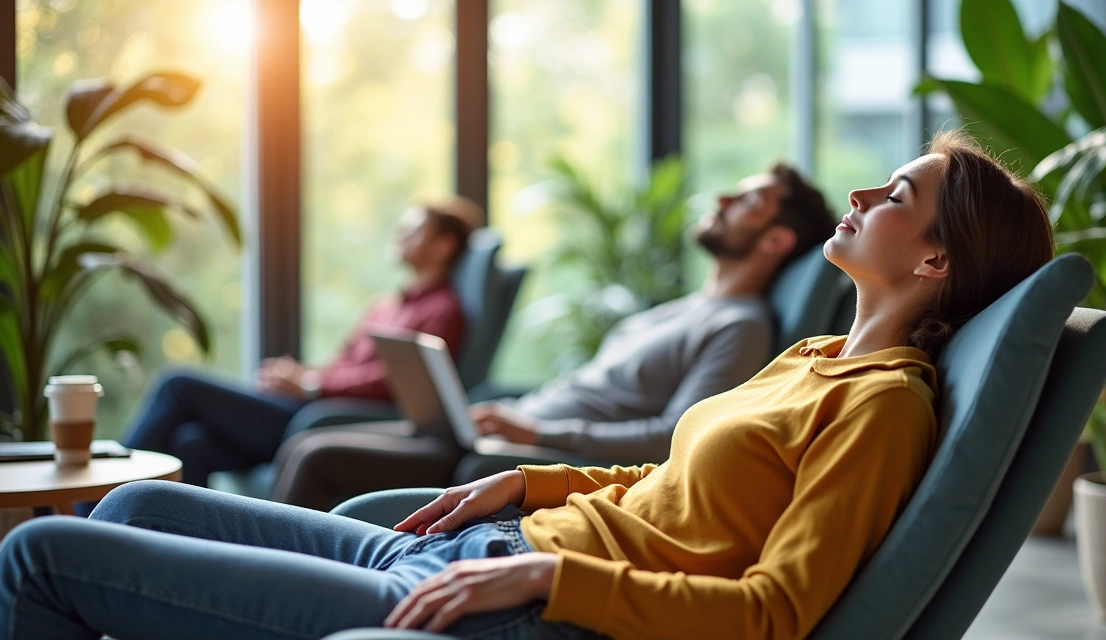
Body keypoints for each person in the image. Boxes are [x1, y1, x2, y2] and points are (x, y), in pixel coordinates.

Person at [0, 130, 1056, 640]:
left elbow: (776, 612)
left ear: (934, 264)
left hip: (517, 607)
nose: (869, 189)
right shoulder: (816, 356)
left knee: (40, 549)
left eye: (900, 193)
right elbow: (679, 481)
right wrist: (531, 481)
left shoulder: (882, 404)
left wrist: (549, 582)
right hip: (494, 548)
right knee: (130, 499)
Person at [269, 163, 837, 510]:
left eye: (748, 202)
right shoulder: (681, 309)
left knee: (319, 452)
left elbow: (675, 439)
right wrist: (512, 412)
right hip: (505, 435)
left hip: (530, 456)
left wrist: (539, 429)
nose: (722, 200)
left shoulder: (739, 326)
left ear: (776, 241)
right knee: (307, 444)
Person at [120, 198, 483, 487]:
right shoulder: (384, 306)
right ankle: (178, 546)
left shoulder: (442, 311)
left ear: (444, 245)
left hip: (325, 418)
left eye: (413, 230)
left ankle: (97, 504)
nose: (399, 235)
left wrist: (312, 385)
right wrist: (299, 373)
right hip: (309, 402)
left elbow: (397, 384)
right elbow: (345, 363)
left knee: (179, 386)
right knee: (191, 443)